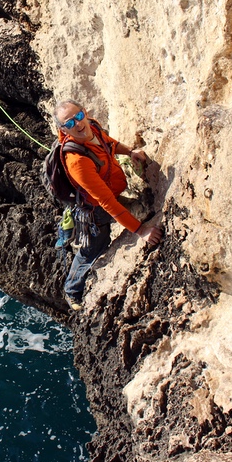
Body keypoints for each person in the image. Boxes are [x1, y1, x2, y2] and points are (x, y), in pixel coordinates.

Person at [55, 100, 164, 310]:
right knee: (94, 247)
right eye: (69, 123)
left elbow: (108, 143)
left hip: (110, 193)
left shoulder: (92, 126)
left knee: (143, 208)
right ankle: (72, 289)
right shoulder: (77, 161)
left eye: (79, 117)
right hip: (95, 210)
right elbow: (106, 203)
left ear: (84, 112)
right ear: (63, 129)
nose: (78, 124)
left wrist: (130, 151)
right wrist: (141, 231)